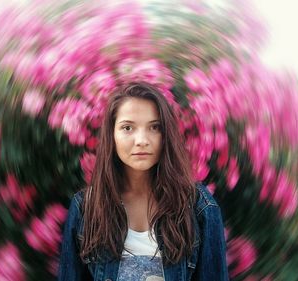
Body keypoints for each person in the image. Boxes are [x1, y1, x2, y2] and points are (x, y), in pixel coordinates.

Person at [58, 82, 229, 281]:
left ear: (167, 135)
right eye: (127, 127)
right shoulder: (85, 207)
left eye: (154, 127)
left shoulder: (199, 206)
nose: (141, 140)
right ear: (112, 135)